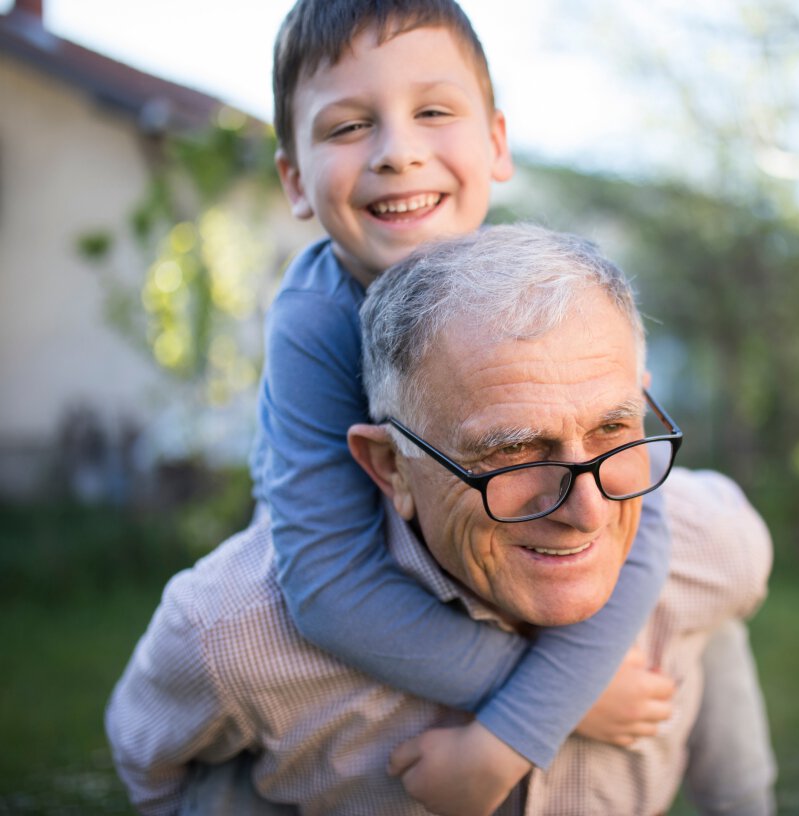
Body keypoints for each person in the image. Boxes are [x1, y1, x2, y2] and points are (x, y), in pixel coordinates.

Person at [237, 0, 771, 812]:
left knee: (706, 595)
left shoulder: (544, 287)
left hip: (537, 536)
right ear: (294, 181)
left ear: (495, 144)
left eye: (433, 112)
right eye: (348, 127)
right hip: (404, 569)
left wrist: (520, 722)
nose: (398, 152)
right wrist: (544, 708)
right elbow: (329, 585)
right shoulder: (315, 320)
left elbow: (644, 522)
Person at [106, 224, 775, 815]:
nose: (586, 512)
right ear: (391, 468)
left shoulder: (712, 544)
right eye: (513, 451)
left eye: (612, 426)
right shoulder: (233, 635)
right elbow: (153, 765)